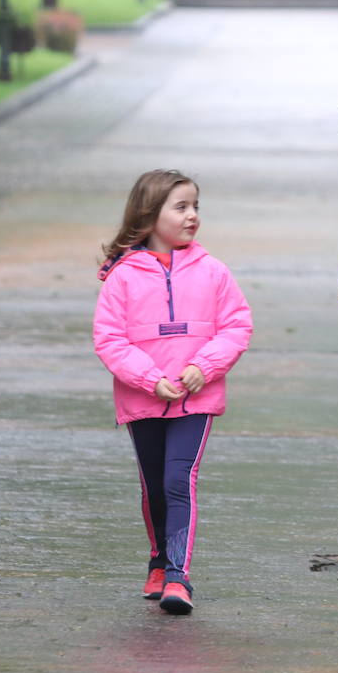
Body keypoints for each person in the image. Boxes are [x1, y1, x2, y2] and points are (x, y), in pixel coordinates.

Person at [93, 170, 253, 615]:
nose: (193, 216)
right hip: (142, 399)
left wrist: (205, 366)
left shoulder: (214, 272)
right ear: (149, 216)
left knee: (177, 480)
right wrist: (148, 378)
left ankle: (179, 577)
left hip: (194, 399)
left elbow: (237, 326)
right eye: (181, 207)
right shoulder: (122, 277)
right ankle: (159, 560)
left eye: (196, 206)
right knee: (153, 487)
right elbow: (110, 339)